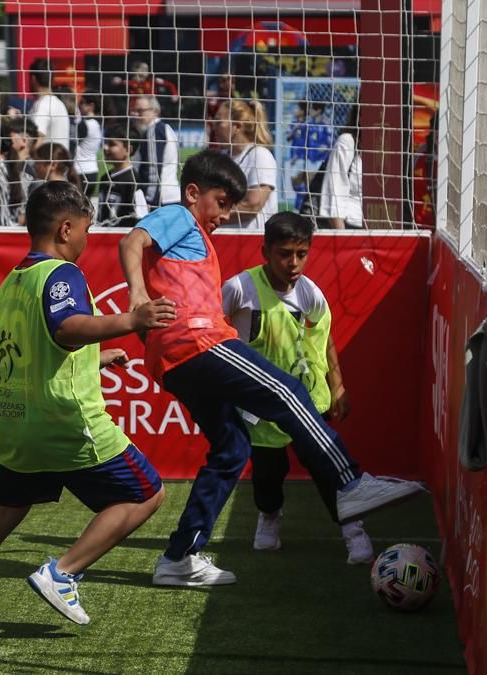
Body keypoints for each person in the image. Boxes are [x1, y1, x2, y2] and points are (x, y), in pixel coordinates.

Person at [118, 150, 420, 586]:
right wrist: (137, 294)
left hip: (177, 357)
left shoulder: (197, 237)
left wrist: (155, 335)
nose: (225, 214)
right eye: (221, 203)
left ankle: (179, 557)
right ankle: (350, 484)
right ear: (192, 193)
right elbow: (131, 241)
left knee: (232, 450)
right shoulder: (180, 217)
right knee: (288, 392)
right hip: (197, 342)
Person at [0, 182, 173, 633]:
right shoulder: (61, 273)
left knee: (3, 509)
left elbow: (34, 344)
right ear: (66, 228)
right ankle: (64, 572)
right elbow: (67, 327)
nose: (86, 241)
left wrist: (95, 356)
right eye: (87, 231)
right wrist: (131, 321)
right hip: (63, 422)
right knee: (147, 492)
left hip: (15, 423)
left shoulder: (11, 283)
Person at [221, 212, 374, 563]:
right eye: (285, 253)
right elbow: (213, 328)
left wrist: (337, 386)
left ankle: (353, 530)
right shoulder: (239, 288)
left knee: (327, 468)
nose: (293, 263)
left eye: (301, 254)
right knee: (267, 477)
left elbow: (325, 339)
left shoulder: (310, 294)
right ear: (265, 251)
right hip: (259, 404)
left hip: (306, 402)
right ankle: (269, 518)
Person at [211, 99, 278, 229]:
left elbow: (252, 205)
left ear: (237, 126)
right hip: (223, 238)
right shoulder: (221, 157)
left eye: (219, 122)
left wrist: (211, 214)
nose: (214, 126)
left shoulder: (259, 155)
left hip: (251, 240)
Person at [130, 95, 180, 208]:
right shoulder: (161, 128)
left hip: (160, 199)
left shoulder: (155, 131)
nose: (135, 114)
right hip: (167, 196)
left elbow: (153, 169)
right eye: (134, 110)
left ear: (155, 112)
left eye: (140, 110)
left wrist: (149, 200)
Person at [319, 105, 363, 229]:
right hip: (350, 225)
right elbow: (333, 191)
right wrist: (341, 234)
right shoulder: (347, 142)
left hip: (379, 227)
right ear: (359, 116)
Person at [97, 123, 147, 228]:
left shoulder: (134, 181)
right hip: (103, 237)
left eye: (112, 144)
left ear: (128, 149)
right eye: (105, 143)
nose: (105, 148)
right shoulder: (105, 178)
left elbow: (142, 217)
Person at [27, 59, 71, 150]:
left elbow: (36, 142)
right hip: (58, 162)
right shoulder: (59, 104)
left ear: (33, 79)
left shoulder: (42, 105)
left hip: (46, 163)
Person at [74, 93, 104, 196]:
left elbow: (73, 144)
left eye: (82, 103)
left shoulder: (86, 124)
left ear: (91, 106)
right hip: (93, 171)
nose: (78, 105)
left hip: (80, 172)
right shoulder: (97, 124)